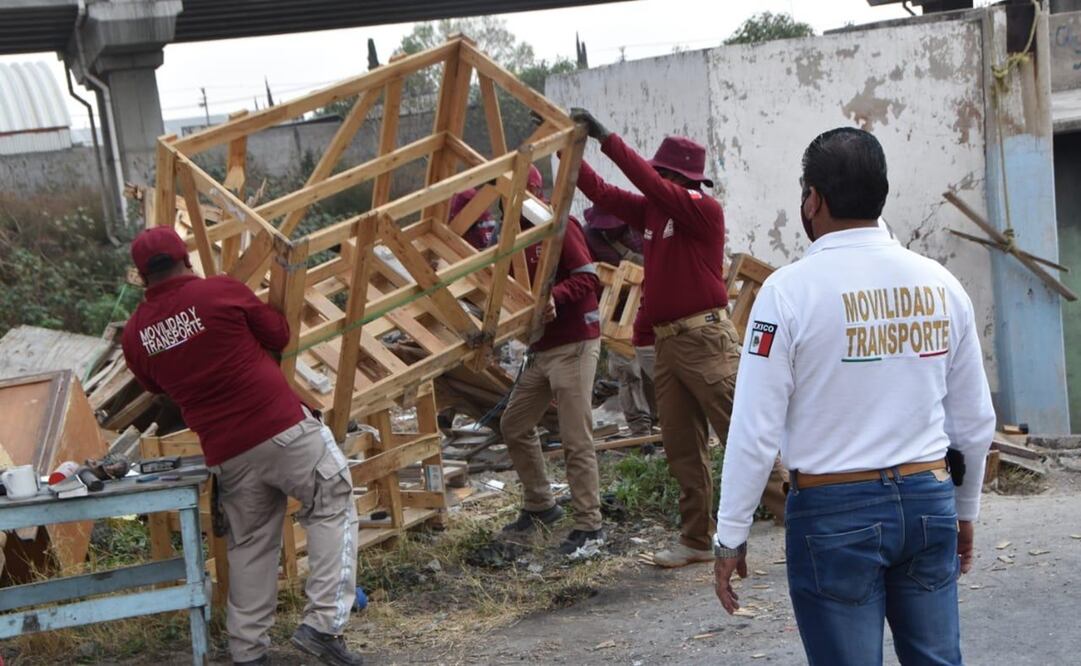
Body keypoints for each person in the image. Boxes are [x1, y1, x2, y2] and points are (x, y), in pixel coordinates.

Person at [713, 128, 995, 666]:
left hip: (832, 514)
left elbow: (754, 431)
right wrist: (964, 510)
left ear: (813, 199)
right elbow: (976, 422)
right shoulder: (940, 284)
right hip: (928, 500)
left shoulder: (786, 293)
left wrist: (731, 536)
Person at [121, 227, 362, 666]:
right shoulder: (220, 293)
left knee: (250, 545)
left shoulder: (136, 333)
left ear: (141, 276)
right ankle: (322, 625)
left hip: (227, 453)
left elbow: (155, 385)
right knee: (332, 503)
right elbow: (279, 333)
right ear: (186, 258)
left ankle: (248, 652)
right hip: (283, 428)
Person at [570, 108, 786, 567]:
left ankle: (803, 522)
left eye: (660, 174)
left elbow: (645, 183)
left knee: (742, 437)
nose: (655, 180)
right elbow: (601, 191)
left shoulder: (702, 210)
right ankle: (695, 540)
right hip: (668, 344)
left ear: (675, 177)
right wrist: (565, 148)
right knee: (682, 447)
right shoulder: (654, 209)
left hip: (704, 340)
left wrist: (605, 137)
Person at [499, 173, 605, 556]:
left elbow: (588, 278)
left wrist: (554, 297)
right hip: (542, 349)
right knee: (513, 424)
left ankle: (590, 526)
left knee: (576, 437)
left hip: (575, 343)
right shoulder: (512, 237)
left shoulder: (561, 225)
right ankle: (541, 504)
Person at [583, 205, 654, 437]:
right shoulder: (588, 237)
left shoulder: (640, 228)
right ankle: (641, 428)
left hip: (652, 302)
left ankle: (660, 420)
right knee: (627, 369)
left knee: (657, 366)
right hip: (616, 310)